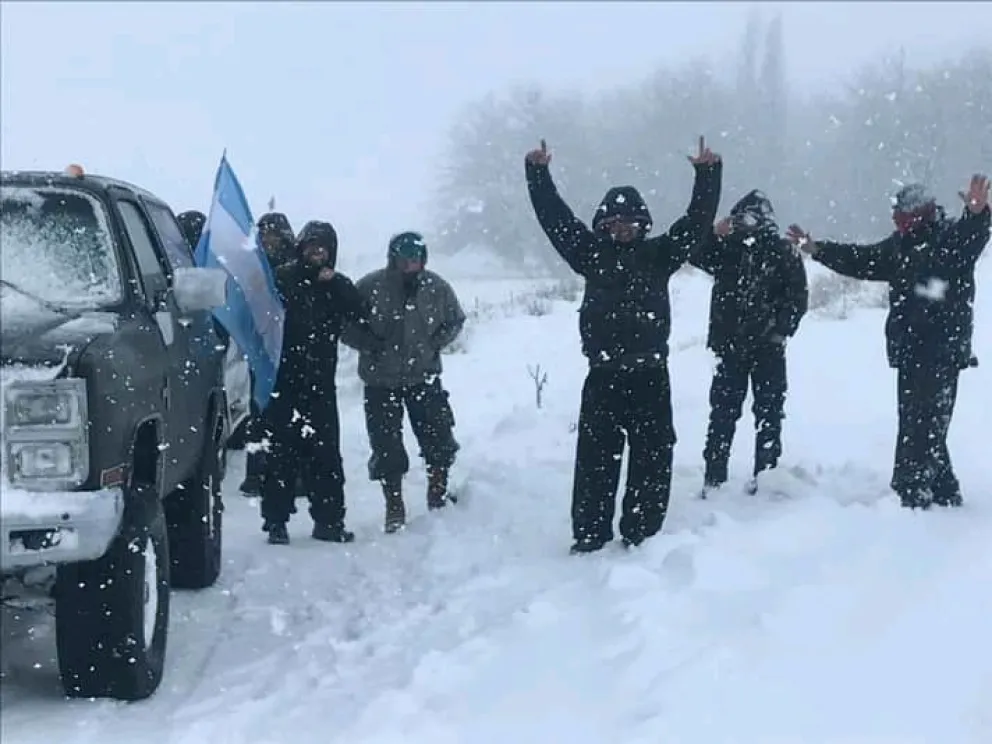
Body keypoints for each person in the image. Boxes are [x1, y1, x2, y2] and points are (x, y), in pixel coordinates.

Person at [525, 136, 723, 554]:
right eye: (614, 223)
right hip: (603, 377)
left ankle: (642, 534)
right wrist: (538, 174)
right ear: (602, 226)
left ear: (642, 224)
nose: (622, 229)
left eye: (629, 223)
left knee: (653, 457)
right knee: (595, 460)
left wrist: (707, 175)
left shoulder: (660, 254)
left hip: (651, 375)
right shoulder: (588, 254)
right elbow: (555, 219)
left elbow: (697, 222)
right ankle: (590, 535)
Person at [786, 175, 990, 509]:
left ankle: (912, 494)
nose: (896, 221)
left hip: (941, 351)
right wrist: (818, 250)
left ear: (921, 213)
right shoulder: (900, 246)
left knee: (923, 425)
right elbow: (861, 259)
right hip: (910, 350)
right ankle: (944, 491)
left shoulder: (948, 238)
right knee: (920, 422)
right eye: (895, 216)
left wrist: (977, 214)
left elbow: (972, 237)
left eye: (902, 215)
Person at [260, 220, 378, 545]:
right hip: (284, 382)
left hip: (321, 386)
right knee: (280, 455)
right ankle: (276, 522)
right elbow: (261, 311)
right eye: (311, 246)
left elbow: (361, 314)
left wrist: (335, 285)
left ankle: (329, 521)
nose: (317, 252)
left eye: (323, 247)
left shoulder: (337, 285)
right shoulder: (282, 278)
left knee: (325, 456)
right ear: (301, 248)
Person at [341, 231, 466, 534]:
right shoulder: (370, 287)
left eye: (417, 259)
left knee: (438, 437)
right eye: (405, 259)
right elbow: (345, 324)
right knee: (386, 446)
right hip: (380, 381)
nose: (411, 265)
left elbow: (455, 320)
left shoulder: (436, 287)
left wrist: (433, 343)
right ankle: (394, 504)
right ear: (393, 260)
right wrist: (368, 344)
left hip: (423, 376)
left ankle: (437, 491)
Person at [690, 190, 808, 497]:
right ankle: (715, 478)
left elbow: (797, 298)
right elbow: (692, 252)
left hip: (767, 348)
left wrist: (779, 331)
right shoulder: (726, 249)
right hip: (729, 347)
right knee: (723, 414)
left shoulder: (782, 252)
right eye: (739, 218)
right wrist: (711, 233)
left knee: (768, 413)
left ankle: (766, 476)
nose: (744, 224)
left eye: (749, 218)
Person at [238, 211, 297, 498]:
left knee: (291, 415)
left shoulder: (294, 267)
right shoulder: (254, 268)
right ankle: (256, 473)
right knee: (259, 412)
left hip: (292, 348)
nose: (269, 241)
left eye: (274, 236)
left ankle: (291, 473)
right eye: (264, 236)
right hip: (262, 349)